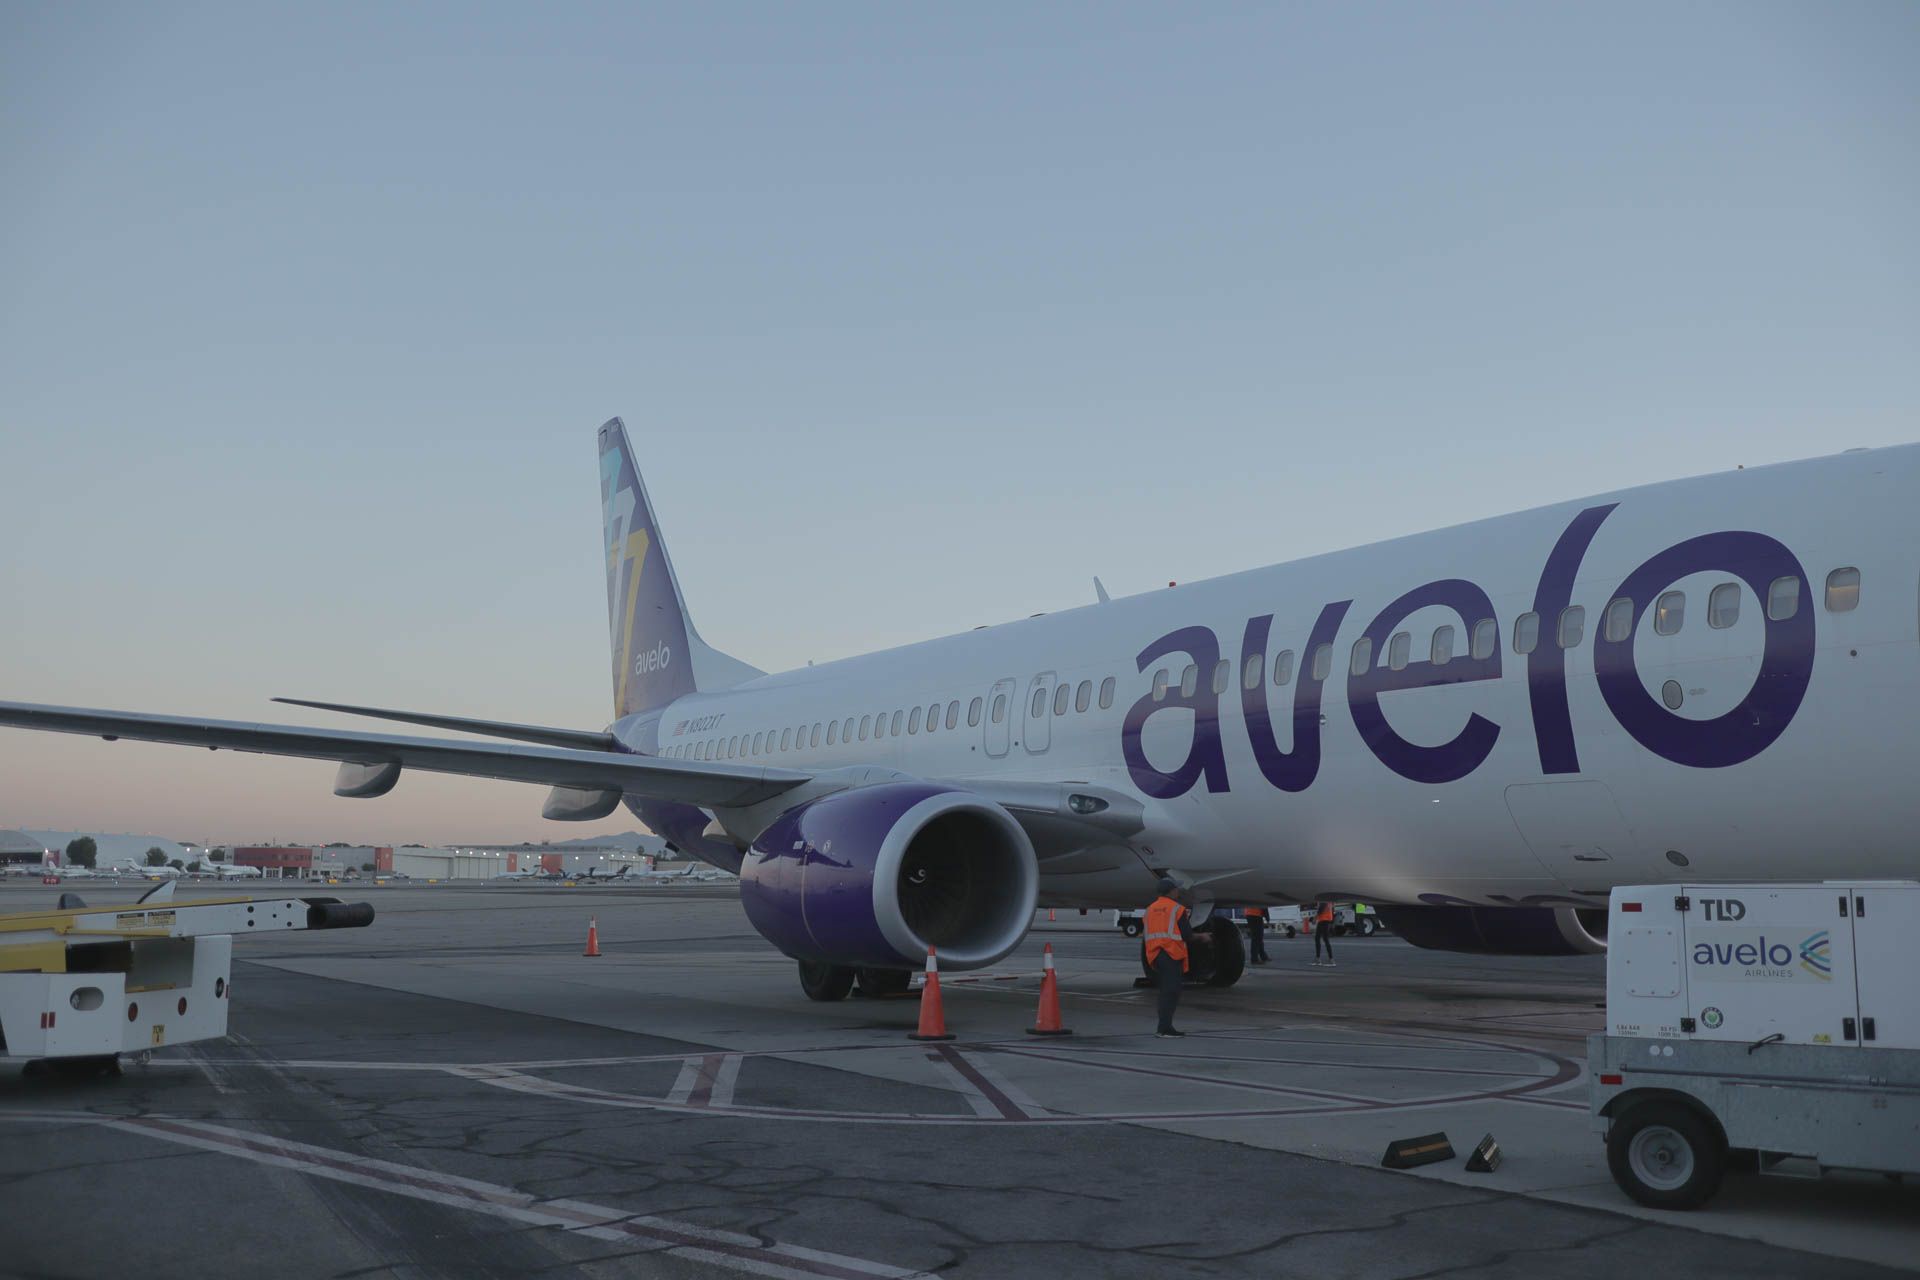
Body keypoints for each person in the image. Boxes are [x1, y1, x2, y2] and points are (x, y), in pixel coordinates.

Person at [1143, 877, 1193, 1037]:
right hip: (1171, 953)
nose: (1178, 891)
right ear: (1171, 891)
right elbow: (1187, 935)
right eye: (1176, 889)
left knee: (1165, 990)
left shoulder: (1150, 909)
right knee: (1171, 991)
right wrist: (1203, 937)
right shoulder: (1177, 909)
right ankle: (1164, 1028)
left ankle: (1164, 1027)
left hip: (1155, 955)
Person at [1312, 901, 1336, 967]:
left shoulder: (1323, 899)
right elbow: (1332, 908)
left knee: (1319, 939)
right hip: (1327, 920)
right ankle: (1327, 959)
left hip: (1323, 920)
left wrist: (1315, 918)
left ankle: (1328, 959)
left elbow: (1321, 909)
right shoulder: (1330, 900)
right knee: (1324, 939)